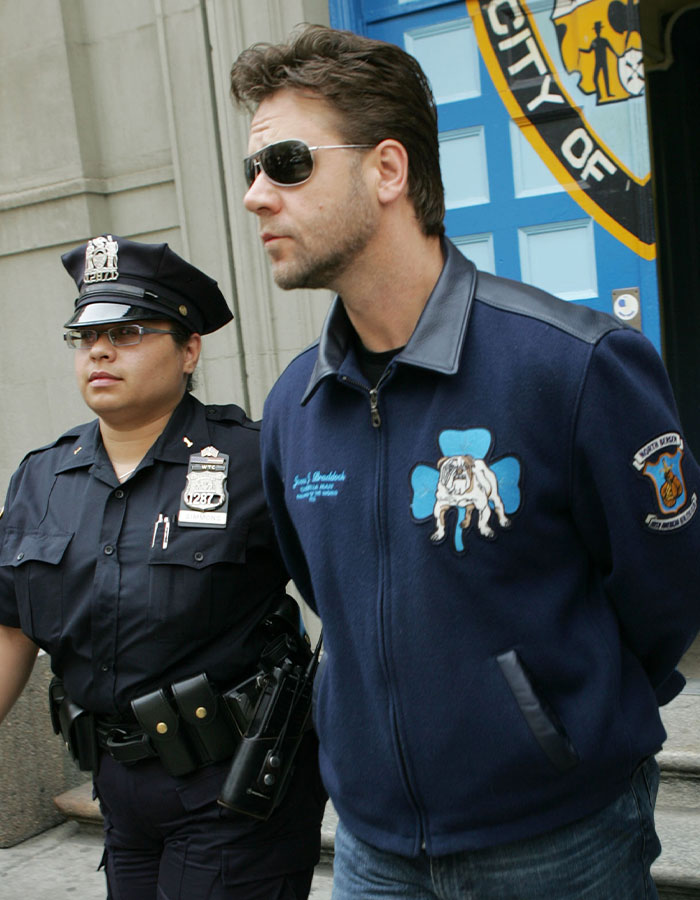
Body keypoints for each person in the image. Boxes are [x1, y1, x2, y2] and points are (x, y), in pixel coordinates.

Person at [229, 24, 700, 900]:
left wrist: (553, 717)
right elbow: (319, 585)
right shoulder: (296, 406)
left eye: (286, 162)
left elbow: (664, 592)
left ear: (388, 170)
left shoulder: (574, 364)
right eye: (251, 171)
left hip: (558, 842)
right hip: (372, 849)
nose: (258, 196)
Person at [0, 235, 326, 899]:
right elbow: (11, 626)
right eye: (84, 335)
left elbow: (347, 602)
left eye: (127, 332)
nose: (99, 350)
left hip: (233, 782)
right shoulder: (42, 478)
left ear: (189, 349)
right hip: (117, 784)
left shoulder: (254, 462)